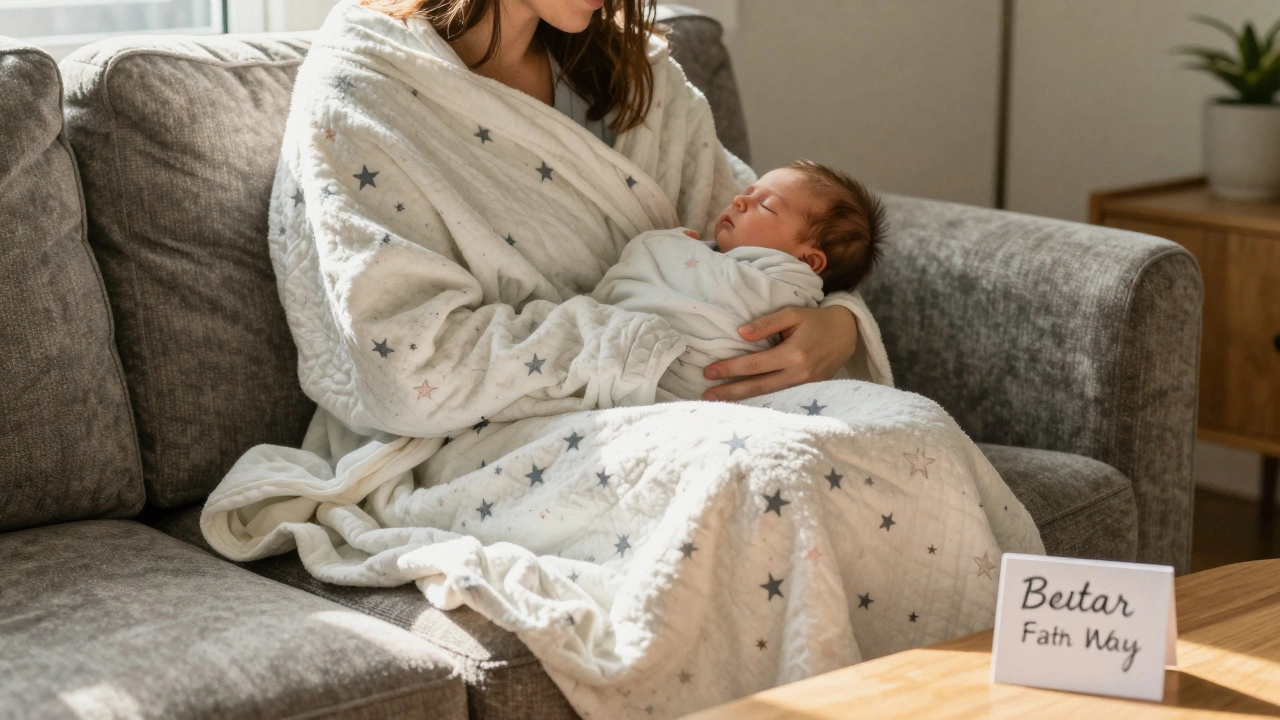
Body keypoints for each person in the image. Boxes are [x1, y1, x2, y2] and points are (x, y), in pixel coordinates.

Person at [201, 1, 1043, 718]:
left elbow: (756, 240)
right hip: (482, 430)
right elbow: (408, 361)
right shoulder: (368, 86)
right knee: (763, 476)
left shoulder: (637, 76)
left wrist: (838, 324)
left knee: (918, 431)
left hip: (671, 397)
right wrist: (639, 344)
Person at [592, 160, 888, 400]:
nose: (739, 200)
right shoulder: (705, 252)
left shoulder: (785, 287)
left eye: (766, 206)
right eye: (747, 191)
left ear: (807, 262)